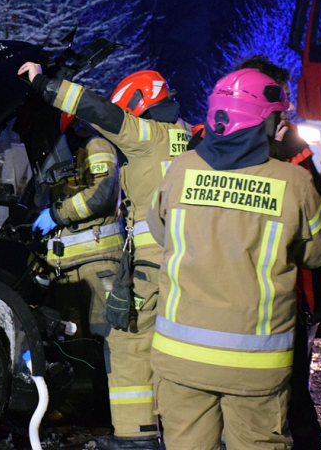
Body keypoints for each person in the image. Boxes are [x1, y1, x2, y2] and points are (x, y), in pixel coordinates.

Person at [147, 68, 321, 449]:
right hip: (254, 366)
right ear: (265, 123)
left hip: (180, 358)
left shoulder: (180, 170)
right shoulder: (294, 183)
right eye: (276, 116)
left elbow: (160, 231)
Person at [18, 63, 192, 449]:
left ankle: (136, 437)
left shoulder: (145, 134)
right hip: (192, 260)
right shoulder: (187, 137)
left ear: (139, 104)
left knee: (128, 341)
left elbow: (94, 108)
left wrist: (43, 84)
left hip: (153, 259)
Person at [31, 114, 124, 423]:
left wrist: (57, 215)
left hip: (99, 265)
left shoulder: (95, 145)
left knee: (107, 342)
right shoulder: (56, 155)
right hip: (66, 271)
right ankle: (82, 411)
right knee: (74, 346)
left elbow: (102, 194)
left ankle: (116, 412)